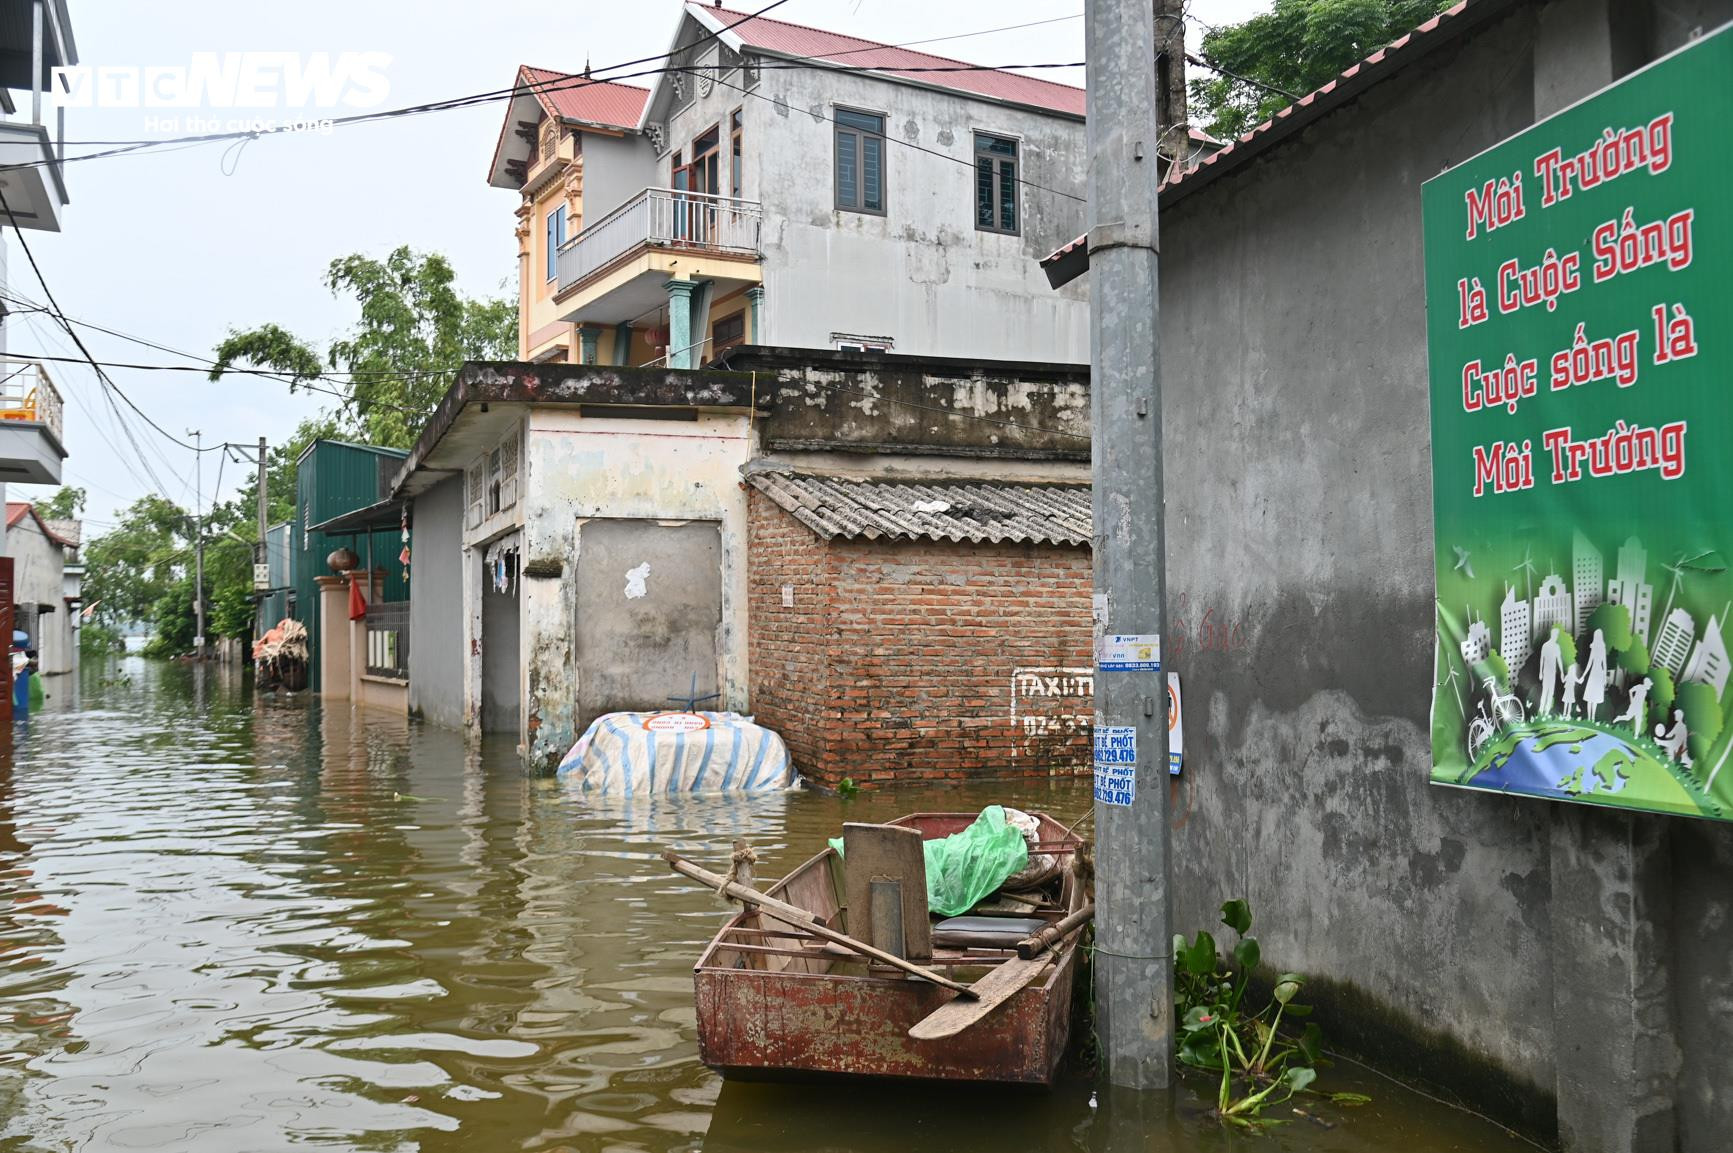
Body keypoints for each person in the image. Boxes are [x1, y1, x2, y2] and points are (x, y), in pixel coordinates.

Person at [1538, 626, 1564, 715]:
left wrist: (1562, 672)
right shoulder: (1545, 646)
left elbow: (1559, 659)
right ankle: (1541, 710)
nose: (1556, 637)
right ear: (1553, 635)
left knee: (1551, 692)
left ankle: (1547, 711)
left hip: (1553, 673)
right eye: (1556, 635)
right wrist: (1540, 672)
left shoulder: (1557, 647)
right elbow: (1542, 659)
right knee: (1545, 691)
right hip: (1546, 672)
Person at [1583, 629, 1608, 722]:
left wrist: (1604, 677)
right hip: (1596, 673)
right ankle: (1590, 717)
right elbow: (1591, 662)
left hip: (1596, 673)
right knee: (1592, 697)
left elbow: (1603, 663)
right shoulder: (1597, 647)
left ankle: (1592, 717)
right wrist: (1584, 675)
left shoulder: (1600, 648)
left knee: (1593, 697)